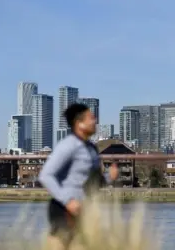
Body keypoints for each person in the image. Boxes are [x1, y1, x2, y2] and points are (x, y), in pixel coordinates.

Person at [38, 103, 119, 250]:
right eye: (91, 118)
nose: (95, 122)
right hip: (63, 208)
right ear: (79, 123)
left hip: (82, 209)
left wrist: (109, 177)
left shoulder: (92, 148)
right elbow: (46, 176)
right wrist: (68, 201)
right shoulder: (68, 145)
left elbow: (95, 182)